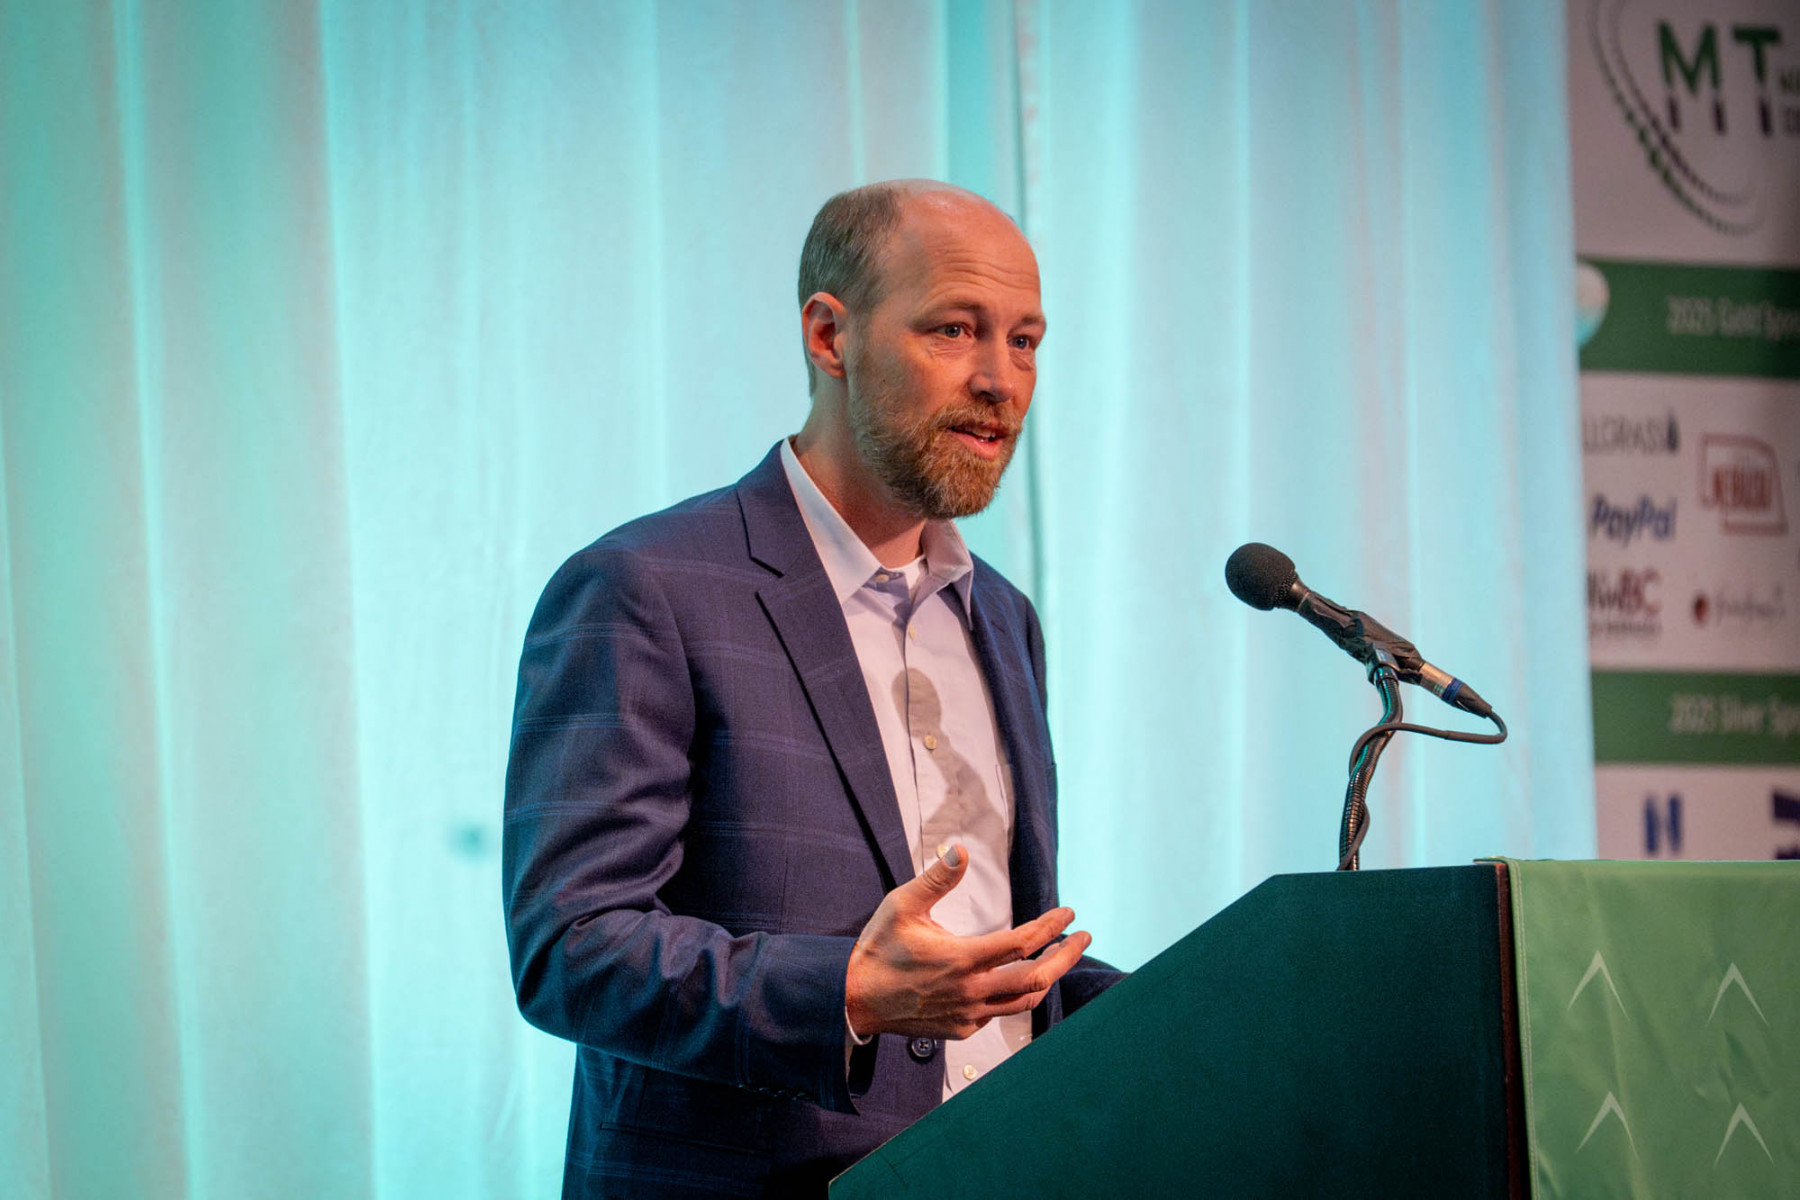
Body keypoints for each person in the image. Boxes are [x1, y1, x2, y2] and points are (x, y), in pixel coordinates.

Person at [503, 180, 1120, 1199]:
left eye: (1025, 342)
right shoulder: (647, 587)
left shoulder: (1003, 618)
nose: (1000, 380)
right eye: (955, 329)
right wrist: (849, 993)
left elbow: (983, 959)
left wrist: (1211, 1004)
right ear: (830, 336)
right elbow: (571, 948)